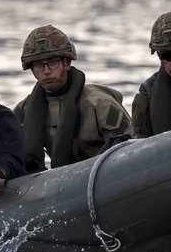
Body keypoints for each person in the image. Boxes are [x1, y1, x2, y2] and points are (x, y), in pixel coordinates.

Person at [12, 25, 131, 171]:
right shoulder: (24, 111)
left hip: (105, 177)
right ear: (32, 70)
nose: (47, 71)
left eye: (53, 62)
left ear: (67, 63)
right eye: (38, 65)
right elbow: (7, 151)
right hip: (58, 183)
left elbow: (131, 150)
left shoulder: (100, 104)